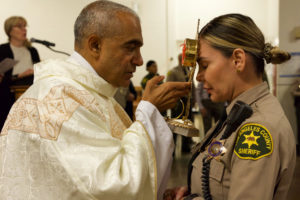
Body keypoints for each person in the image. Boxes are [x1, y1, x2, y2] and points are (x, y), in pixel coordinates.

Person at [0, 1, 191, 200]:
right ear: (95, 45)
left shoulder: (89, 93)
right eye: (130, 48)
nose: (139, 60)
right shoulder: (57, 100)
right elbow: (112, 186)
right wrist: (148, 110)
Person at [164, 13, 296, 200]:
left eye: (204, 65)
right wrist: (195, 191)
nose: (199, 77)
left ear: (238, 60)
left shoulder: (258, 129)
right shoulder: (238, 114)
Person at [0, 16, 40, 130]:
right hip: (8, 97)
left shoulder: (32, 51)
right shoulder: (2, 50)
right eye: (19, 26)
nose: (24, 29)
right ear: (9, 31)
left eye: (24, 26)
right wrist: (19, 76)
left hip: (31, 94)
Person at [167, 53, 195, 152]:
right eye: (183, 59)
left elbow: (192, 86)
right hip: (178, 102)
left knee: (187, 124)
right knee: (176, 125)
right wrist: (173, 101)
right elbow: (169, 87)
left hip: (188, 101)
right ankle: (172, 148)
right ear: (179, 59)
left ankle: (185, 147)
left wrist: (194, 99)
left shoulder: (189, 70)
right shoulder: (173, 72)